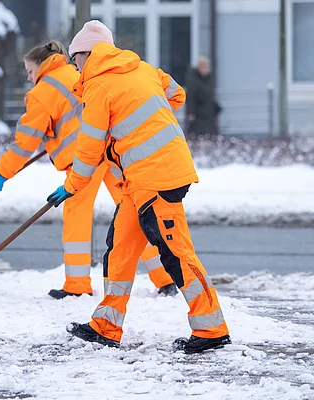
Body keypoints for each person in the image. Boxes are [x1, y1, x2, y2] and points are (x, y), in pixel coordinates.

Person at [47, 21, 231, 354]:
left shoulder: (99, 86)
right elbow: (177, 94)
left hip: (159, 178)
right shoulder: (143, 68)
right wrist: (144, 122)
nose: (75, 68)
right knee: (119, 249)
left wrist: (72, 185)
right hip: (140, 179)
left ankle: (212, 328)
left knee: (177, 254)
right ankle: (107, 325)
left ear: (88, 55)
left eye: (75, 60)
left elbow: (88, 147)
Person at [0, 40, 178, 300]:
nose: (29, 78)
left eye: (29, 71)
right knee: (133, 214)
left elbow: (25, 143)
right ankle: (165, 279)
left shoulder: (42, 92)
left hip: (83, 160)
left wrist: (1, 174)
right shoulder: (77, 72)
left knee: (76, 216)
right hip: (112, 151)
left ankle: (77, 284)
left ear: (42, 66)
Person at [185, 56, 222, 136]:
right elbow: (190, 98)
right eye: (204, 66)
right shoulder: (193, 80)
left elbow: (210, 95)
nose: (206, 69)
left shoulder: (209, 79)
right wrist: (190, 113)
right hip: (198, 115)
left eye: (207, 66)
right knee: (198, 135)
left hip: (209, 114)